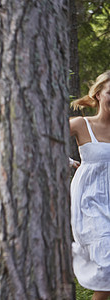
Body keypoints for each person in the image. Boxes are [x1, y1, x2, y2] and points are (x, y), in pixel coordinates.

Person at [69, 70, 110, 300]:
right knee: (106, 263)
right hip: (90, 202)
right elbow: (44, 142)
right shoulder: (80, 124)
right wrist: (68, 162)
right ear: (98, 95)